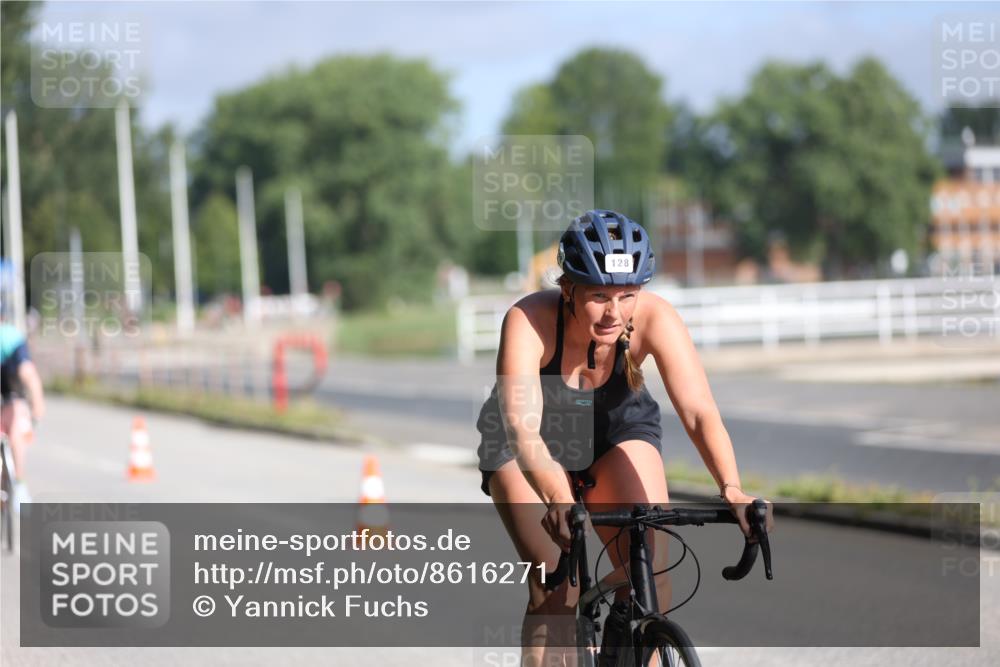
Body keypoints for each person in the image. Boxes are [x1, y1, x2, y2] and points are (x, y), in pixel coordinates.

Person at [475, 209, 774, 666]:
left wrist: (731, 488)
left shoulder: (656, 318)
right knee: (559, 586)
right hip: (525, 444)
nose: (615, 313)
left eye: (627, 295)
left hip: (614, 430)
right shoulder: (528, 320)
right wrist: (557, 494)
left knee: (652, 569)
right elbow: (522, 425)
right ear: (568, 288)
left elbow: (697, 411)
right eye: (599, 296)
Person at [0, 318, 46, 512]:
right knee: (16, 418)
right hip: (13, 384)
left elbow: (27, 373)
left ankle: (18, 483)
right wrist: (37, 407)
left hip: (11, 383)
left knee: (16, 416)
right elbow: (29, 375)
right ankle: (18, 482)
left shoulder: (10, 337)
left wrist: (37, 404)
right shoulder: (12, 335)